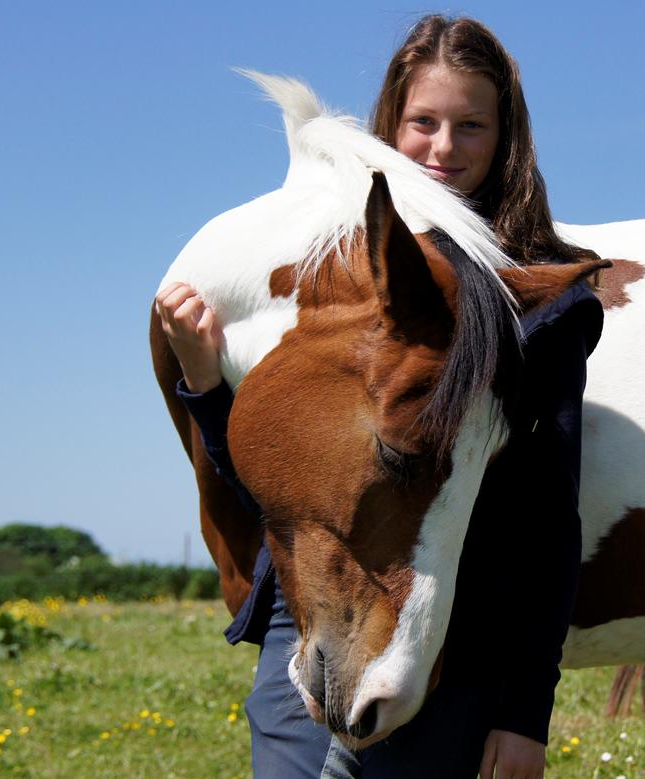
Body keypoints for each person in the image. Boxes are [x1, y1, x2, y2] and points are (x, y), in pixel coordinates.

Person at [155, 15, 603, 779]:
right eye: (423, 121)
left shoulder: (539, 301)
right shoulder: (339, 280)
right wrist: (203, 382)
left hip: (443, 664)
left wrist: (524, 715)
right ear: (390, 122)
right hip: (302, 641)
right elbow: (282, 489)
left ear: (506, 137)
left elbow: (547, 522)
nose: (443, 147)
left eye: (471, 125)